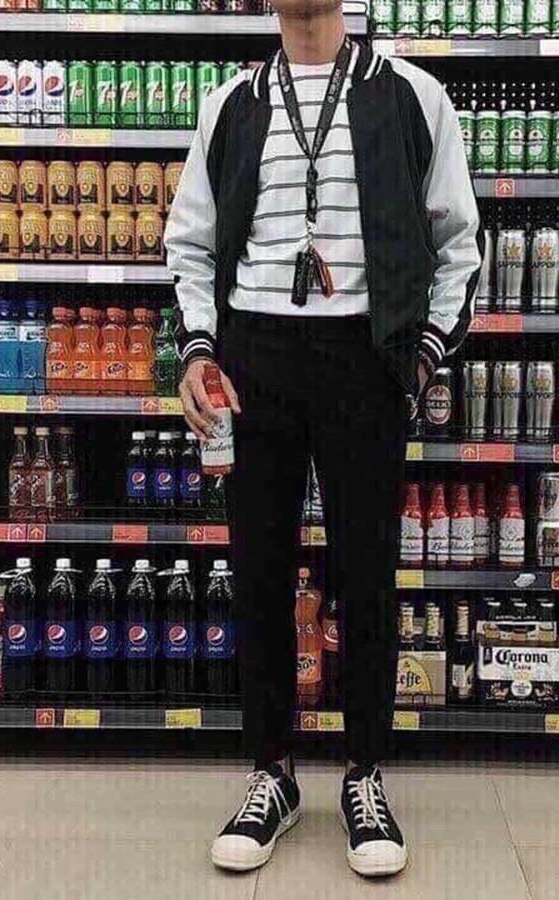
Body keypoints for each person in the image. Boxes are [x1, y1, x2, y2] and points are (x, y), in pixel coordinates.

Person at [164, 0, 481, 878]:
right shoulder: (230, 103)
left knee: (366, 572)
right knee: (258, 571)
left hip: (364, 356)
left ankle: (365, 773)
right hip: (254, 357)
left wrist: (420, 354)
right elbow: (190, 243)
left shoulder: (412, 95)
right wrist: (198, 350)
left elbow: (459, 241)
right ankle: (271, 771)